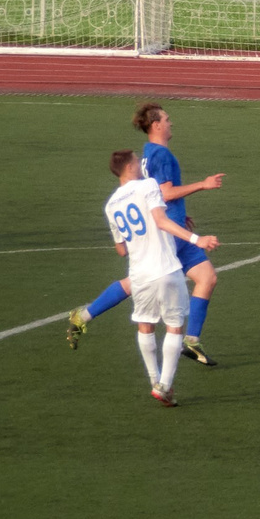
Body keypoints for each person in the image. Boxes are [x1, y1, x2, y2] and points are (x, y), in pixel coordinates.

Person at [67, 102, 224, 358]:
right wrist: (203, 185)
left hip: (174, 227)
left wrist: (178, 212)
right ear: (156, 124)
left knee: (207, 278)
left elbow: (151, 192)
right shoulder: (161, 155)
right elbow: (165, 191)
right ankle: (83, 315)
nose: (171, 122)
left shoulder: (149, 152)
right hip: (168, 235)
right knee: (137, 282)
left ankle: (192, 340)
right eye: (167, 118)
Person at [102, 149, 219, 407]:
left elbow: (120, 249)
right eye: (136, 161)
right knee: (175, 327)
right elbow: (161, 220)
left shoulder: (111, 204)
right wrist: (197, 239)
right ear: (131, 166)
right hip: (165, 269)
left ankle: (154, 380)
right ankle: (164, 385)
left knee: (145, 326)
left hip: (139, 275)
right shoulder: (148, 185)